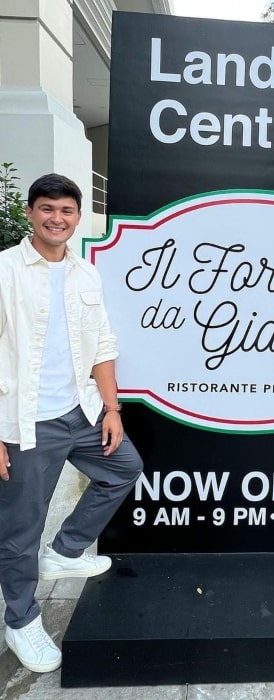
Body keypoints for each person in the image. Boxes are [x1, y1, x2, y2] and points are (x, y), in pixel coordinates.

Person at [0, 174, 143, 673]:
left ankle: (64, 550)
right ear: (30, 213)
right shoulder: (6, 271)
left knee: (124, 467)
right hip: (24, 422)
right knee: (20, 531)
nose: (56, 218)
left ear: (77, 217)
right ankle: (20, 621)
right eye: (46, 209)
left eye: (65, 210)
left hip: (79, 412)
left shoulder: (85, 274)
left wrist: (111, 409)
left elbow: (102, 344)